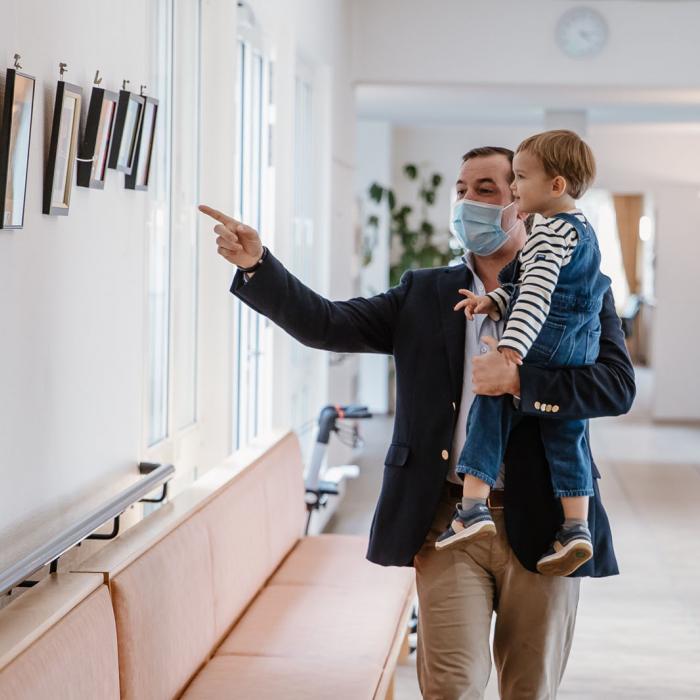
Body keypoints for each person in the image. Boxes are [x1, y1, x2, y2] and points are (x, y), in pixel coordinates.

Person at [199, 143, 635, 699]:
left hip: (548, 522)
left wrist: (523, 383)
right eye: (461, 190)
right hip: (448, 522)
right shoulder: (424, 293)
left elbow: (617, 387)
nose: (468, 202)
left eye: (486, 190)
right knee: (449, 689)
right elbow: (328, 324)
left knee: (530, 690)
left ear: (522, 201)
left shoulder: (584, 287)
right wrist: (258, 266)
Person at [436, 130, 609, 579]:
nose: (515, 189)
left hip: (547, 342)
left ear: (556, 186)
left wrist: (511, 353)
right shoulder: (582, 228)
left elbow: (533, 296)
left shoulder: (547, 232)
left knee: (490, 404)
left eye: (518, 179)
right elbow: (534, 285)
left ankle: (471, 507)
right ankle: (575, 527)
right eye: (461, 191)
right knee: (567, 434)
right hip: (577, 347)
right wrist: (494, 300)